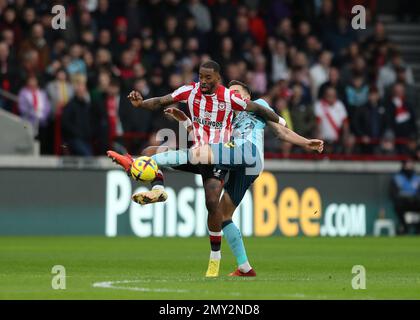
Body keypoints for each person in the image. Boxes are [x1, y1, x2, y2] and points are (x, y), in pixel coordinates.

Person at [108, 80, 323, 277]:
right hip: (239, 164)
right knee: (222, 215)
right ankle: (245, 267)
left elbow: (281, 132)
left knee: (197, 153)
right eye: (231, 93)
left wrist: (305, 142)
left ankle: (137, 162)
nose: (235, 96)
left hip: (247, 153)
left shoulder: (257, 105)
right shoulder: (226, 113)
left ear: (248, 95)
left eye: (238, 92)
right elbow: (203, 135)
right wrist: (184, 120)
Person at [390, 159, 420, 234]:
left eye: (411, 164)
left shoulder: (417, 178)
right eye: (407, 164)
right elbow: (393, 193)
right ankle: (404, 226)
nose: (409, 166)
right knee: (398, 207)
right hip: (403, 203)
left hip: (415, 202)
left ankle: (418, 227)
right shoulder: (397, 178)